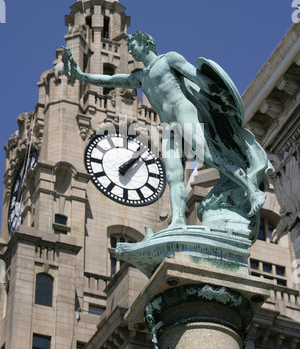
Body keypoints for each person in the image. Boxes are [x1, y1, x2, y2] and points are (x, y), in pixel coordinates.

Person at [62, 31, 272, 232]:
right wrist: (82, 76)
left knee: (208, 155)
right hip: (168, 127)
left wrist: (218, 94)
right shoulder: (141, 78)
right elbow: (111, 80)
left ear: (146, 43)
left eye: (133, 46)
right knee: (173, 175)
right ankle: (178, 221)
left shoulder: (169, 59)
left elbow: (197, 76)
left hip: (184, 114)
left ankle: (252, 191)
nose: (132, 51)